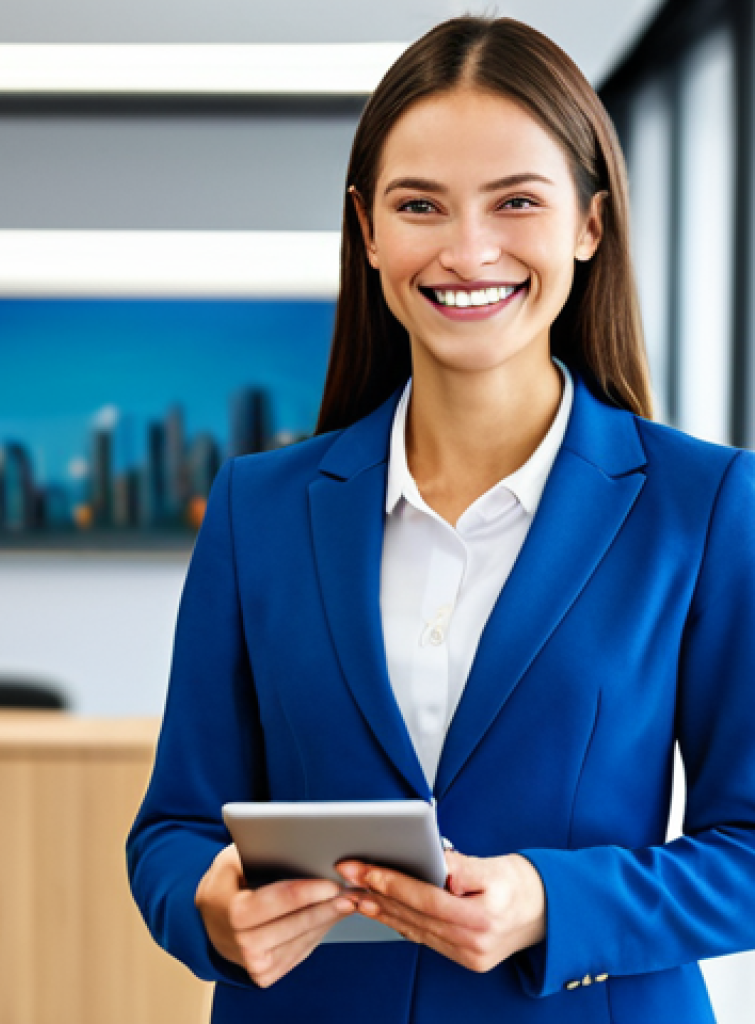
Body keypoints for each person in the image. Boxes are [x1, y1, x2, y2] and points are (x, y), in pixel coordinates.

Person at [126, 15, 755, 1023]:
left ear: (589, 224)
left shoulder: (705, 505)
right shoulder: (258, 509)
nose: (468, 251)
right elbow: (171, 828)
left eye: (516, 202)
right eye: (420, 204)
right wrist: (204, 905)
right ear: (368, 228)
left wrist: (554, 899)